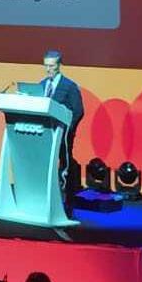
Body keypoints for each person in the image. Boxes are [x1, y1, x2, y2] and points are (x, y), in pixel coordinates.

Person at [37, 51, 85, 202]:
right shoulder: (42, 85)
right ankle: (45, 194)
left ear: (59, 65)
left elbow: (78, 111)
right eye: (46, 66)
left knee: (65, 162)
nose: (48, 69)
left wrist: (68, 129)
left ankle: (68, 196)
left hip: (62, 133)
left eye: (51, 66)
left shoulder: (69, 86)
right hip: (44, 132)